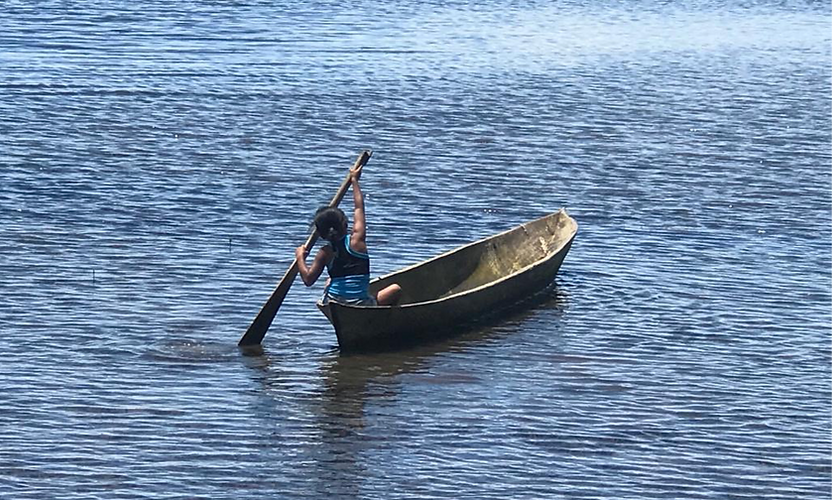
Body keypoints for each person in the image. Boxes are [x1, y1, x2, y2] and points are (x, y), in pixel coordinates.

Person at [295, 165, 401, 306]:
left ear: (321, 234)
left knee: (329, 282)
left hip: (334, 303)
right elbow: (359, 207)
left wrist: (300, 257)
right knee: (396, 289)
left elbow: (308, 279)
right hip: (361, 305)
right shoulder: (357, 241)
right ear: (345, 225)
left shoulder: (324, 252)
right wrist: (355, 180)